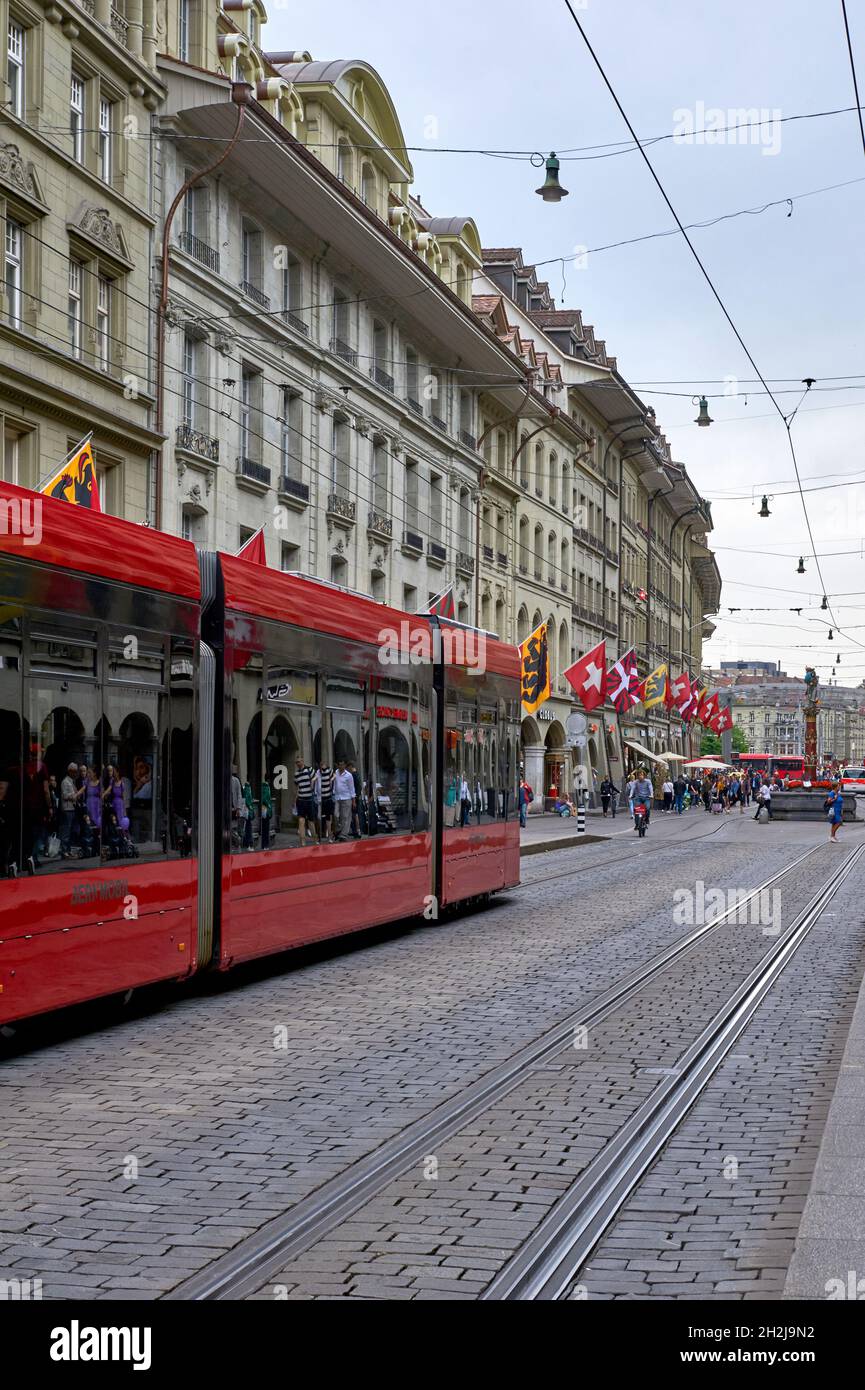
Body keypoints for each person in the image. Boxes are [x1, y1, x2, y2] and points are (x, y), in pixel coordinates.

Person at [293, 755, 319, 845]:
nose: (298, 764)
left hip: (309, 800)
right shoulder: (296, 774)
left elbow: (316, 776)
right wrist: (294, 800)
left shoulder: (309, 770)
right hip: (301, 800)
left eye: (299, 762)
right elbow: (297, 788)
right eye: (297, 762)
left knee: (311, 822)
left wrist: (312, 781)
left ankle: (315, 840)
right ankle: (303, 842)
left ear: (303, 761)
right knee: (301, 821)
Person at [333, 758, 356, 842]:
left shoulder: (349, 775)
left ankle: (343, 835)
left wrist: (353, 801)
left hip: (346, 797)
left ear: (345, 765)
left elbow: (352, 788)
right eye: (339, 764)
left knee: (345, 817)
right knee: (336, 815)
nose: (341, 766)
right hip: (337, 797)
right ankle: (339, 829)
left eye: (342, 764)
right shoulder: (335, 773)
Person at [59, 762, 78, 859]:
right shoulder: (65, 782)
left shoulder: (71, 781)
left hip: (72, 808)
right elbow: (65, 795)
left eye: (76, 771)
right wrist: (74, 795)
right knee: (66, 830)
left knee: (70, 831)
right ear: (70, 771)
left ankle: (68, 850)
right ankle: (64, 851)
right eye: (74, 771)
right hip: (67, 809)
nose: (76, 773)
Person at [318, 761, 335, 842]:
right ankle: (320, 836)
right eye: (321, 765)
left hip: (328, 797)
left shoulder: (329, 771)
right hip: (320, 798)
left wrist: (331, 779)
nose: (322, 767)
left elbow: (334, 775)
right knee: (320, 817)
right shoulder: (318, 772)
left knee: (328, 817)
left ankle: (329, 836)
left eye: (323, 765)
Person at [260, 777, 272, 849]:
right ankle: (265, 845)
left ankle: (264, 845)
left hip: (264, 810)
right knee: (266, 828)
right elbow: (265, 798)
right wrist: (269, 805)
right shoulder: (266, 787)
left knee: (265, 828)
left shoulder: (263, 787)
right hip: (266, 810)